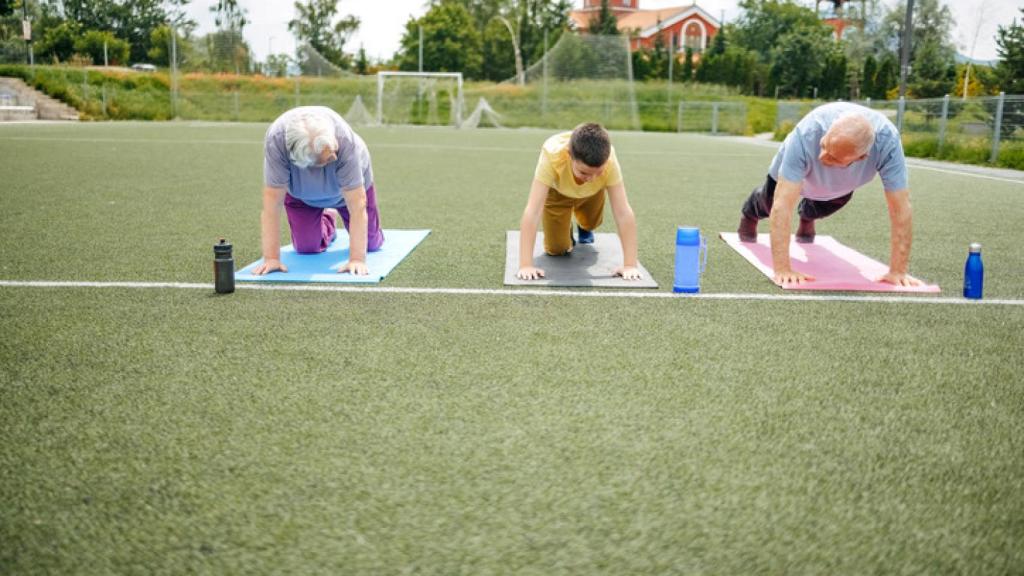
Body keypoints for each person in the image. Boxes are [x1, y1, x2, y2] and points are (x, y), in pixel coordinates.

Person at [737, 101, 922, 287]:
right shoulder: (808, 133)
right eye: (824, 145)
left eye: (833, 156)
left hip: (843, 180)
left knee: (823, 206)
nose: (822, 156)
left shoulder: (888, 143)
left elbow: (900, 207)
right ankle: (749, 214)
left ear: (861, 158)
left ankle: (807, 217)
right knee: (768, 203)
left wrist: (898, 271)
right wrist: (783, 268)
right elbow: (782, 204)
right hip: (796, 161)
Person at [253, 106, 383, 276]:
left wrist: (357, 259)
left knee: (371, 245)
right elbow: (272, 204)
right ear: (302, 162)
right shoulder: (277, 142)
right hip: (302, 196)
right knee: (306, 248)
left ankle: (359, 229)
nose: (335, 158)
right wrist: (271, 258)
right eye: (328, 159)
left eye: (334, 151)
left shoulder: (344, 140)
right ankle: (329, 219)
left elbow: (358, 205)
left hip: (347, 195)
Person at [516, 123, 641, 281]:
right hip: (557, 193)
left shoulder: (609, 159)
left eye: (598, 172)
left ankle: (584, 226)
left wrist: (630, 265)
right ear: (569, 155)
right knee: (556, 249)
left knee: (591, 223)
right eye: (584, 172)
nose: (591, 178)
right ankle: (565, 226)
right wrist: (526, 265)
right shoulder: (552, 154)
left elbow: (623, 212)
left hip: (592, 193)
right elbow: (533, 211)